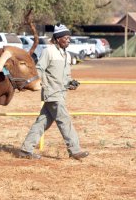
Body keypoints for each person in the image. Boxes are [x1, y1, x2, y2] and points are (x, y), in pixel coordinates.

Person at [18, 23, 89, 160]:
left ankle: (25, 150)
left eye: (69, 38)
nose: (68, 40)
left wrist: (71, 83)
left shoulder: (66, 55)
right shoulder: (49, 51)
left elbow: (66, 76)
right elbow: (39, 69)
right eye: (65, 38)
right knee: (64, 120)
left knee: (42, 122)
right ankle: (74, 150)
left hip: (61, 93)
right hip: (53, 94)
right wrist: (45, 85)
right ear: (57, 39)